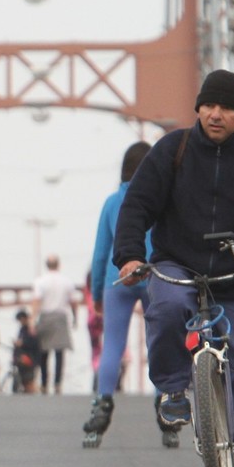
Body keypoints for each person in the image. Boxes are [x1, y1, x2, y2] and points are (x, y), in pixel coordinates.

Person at [115, 69, 234, 467]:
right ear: (198, 109)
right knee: (168, 308)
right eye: (208, 105)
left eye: (227, 108)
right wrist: (131, 255)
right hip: (180, 261)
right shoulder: (173, 149)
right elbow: (137, 205)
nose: (215, 114)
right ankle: (173, 390)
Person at [81, 141, 153, 446]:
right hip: (154, 275)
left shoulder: (112, 203)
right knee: (159, 340)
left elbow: (100, 253)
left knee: (112, 344)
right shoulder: (160, 200)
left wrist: (96, 292)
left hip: (117, 278)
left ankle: (103, 404)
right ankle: (166, 404)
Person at [30, 255, 76, 394]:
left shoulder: (40, 281)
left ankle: (44, 383)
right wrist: (75, 317)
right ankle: (57, 383)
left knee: (44, 351)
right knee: (59, 352)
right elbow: (72, 301)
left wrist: (33, 319)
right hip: (61, 317)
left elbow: (37, 300)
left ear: (46, 265)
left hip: (46, 316)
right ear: (58, 265)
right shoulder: (67, 281)